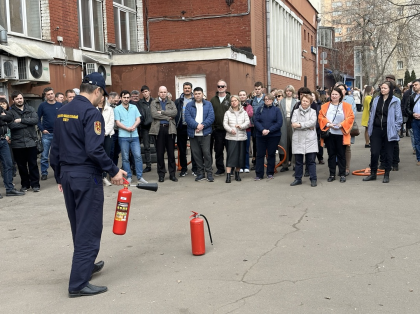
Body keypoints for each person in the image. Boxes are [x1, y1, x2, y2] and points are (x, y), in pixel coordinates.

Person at [50, 72, 126, 298]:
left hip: (68, 176)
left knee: (78, 224)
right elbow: (94, 149)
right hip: (85, 177)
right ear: (97, 92)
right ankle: (78, 284)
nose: (101, 99)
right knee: (89, 228)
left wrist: (59, 177)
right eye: (102, 95)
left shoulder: (62, 111)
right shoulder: (92, 113)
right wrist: (114, 170)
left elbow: (55, 148)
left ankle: (86, 265)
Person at [363, 81, 402, 183]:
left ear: (390, 89)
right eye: (381, 88)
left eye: (385, 88)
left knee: (389, 153)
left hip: (389, 130)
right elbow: (372, 114)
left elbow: (399, 118)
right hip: (376, 130)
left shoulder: (395, 100)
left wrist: (395, 128)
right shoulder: (376, 99)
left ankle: (386, 174)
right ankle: (373, 173)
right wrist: (370, 126)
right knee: (374, 152)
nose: (382, 90)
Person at [318, 87, 355, 183]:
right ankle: (332, 174)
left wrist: (341, 124)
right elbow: (321, 117)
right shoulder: (325, 106)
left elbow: (351, 117)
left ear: (340, 96)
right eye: (332, 94)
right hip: (330, 133)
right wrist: (328, 124)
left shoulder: (347, 106)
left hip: (341, 133)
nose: (334, 96)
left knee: (341, 155)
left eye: (336, 94)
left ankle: (342, 174)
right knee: (331, 155)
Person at [8, 91, 41, 192]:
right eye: (17, 99)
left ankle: (35, 184)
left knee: (33, 164)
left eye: (20, 98)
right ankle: (25, 185)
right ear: (13, 100)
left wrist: (21, 120)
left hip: (31, 141)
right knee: (21, 166)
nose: (19, 100)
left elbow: (35, 120)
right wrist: (27, 122)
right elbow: (11, 125)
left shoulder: (30, 109)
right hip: (18, 144)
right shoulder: (10, 112)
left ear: (23, 99)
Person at [114, 90, 148, 184]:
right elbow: (117, 122)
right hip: (123, 136)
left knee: (138, 156)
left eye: (128, 97)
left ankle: (140, 176)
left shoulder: (134, 107)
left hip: (134, 136)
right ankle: (128, 176)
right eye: (124, 97)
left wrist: (134, 126)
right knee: (125, 158)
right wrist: (127, 128)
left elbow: (138, 119)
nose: (126, 99)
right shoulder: (117, 109)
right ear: (121, 98)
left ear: (130, 98)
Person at [185, 87, 215, 182]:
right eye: (196, 93)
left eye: (199, 93)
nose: (197, 95)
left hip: (205, 133)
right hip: (193, 134)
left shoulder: (208, 104)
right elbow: (187, 118)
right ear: (193, 95)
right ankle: (200, 173)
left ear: (202, 94)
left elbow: (211, 117)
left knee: (206, 153)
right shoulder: (189, 105)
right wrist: (196, 126)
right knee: (196, 154)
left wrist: (202, 126)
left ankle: (209, 173)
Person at [150, 86, 178, 183]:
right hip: (159, 130)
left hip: (170, 129)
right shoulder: (154, 103)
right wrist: (167, 117)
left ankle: (172, 174)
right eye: (161, 92)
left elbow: (174, 113)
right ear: (158, 93)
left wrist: (162, 112)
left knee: (171, 153)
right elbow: (154, 114)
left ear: (167, 93)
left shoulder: (171, 102)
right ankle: (161, 174)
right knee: (160, 154)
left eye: (164, 92)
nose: (163, 94)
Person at [290, 94, 318, 187]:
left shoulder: (313, 111)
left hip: (310, 139)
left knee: (311, 161)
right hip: (298, 138)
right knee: (298, 161)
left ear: (310, 102)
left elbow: (313, 122)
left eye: (307, 101)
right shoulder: (295, 111)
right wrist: (306, 125)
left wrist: (300, 125)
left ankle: (313, 179)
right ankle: (298, 179)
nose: (304, 102)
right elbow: (293, 123)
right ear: (300, 101)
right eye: (303, 100)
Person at [253, 94, 283, 180]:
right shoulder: (260, 109)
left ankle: (270, 172)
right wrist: (262, 130)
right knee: (260, 154)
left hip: (273, 135)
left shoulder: (277, 110)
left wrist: (269, 130)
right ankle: (259, 174)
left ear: (272, 100)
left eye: (269, 99)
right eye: (265, 99)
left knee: (271, 154)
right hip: (260, 135)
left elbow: (279, 123)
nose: (267, 101)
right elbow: (256, 121)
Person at [0, 99, 24, 198]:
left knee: (9, 165)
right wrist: (2, 117)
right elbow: (4, 119)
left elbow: (10, 117)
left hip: (3, 140)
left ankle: (9, 189)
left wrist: (3, 117)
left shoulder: (0, 108)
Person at [223, 94, 250, 183]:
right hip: (231, 138)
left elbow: (247, 122)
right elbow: (225, 124)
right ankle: (228, 175)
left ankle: (237, 173)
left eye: (235, 101)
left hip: (242, 138)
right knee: (230, 156)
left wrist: (241, 126)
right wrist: (231, 130)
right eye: (232, 101)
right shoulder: (227, 112)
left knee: (240, 157)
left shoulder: (244, 112)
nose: (233, 102)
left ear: (238, 101)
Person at [37, 87, 62, 180]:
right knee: (44, 155)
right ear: (45, 96)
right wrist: (42, 129)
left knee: (58, 154)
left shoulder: (60, 105)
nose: (50, 95)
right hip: (47, 134)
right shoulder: (42, 106)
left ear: (54, 94)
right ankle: (44, 172)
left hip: (58, 134)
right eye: (48, 94)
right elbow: (37, 119)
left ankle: (58, 171)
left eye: (51, 93)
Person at [175, 82, 197, 177]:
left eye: (188, 88)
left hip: (193, 127)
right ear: (183, 89)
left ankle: (195, 168)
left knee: (194, 149)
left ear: (191, 89)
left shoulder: (196, 100)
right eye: (185, 88)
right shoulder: (178, 101)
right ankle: (183, 168)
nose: (187, 89)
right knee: (182, 149)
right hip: (181, 127)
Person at [210, 80, 230, 176]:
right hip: (217, 130)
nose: (220, 88)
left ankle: (231, 168)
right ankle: (220, 168)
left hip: (229, 130)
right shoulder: (213, 100)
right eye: (219, 86)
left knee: (230, 150)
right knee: (218, 150)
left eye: (222, 86)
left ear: (226, 87)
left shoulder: (230, 99)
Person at [337, 84, 356, 176]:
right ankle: (339, 167)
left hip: (346, 127)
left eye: (342, 89)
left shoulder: (350, 100)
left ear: (345, 91)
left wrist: (344, 124)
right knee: (337, 148)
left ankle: (346, 168)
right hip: (335, 128)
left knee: (347, 148)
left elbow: (353, 114)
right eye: (338, 89)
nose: (340, 91)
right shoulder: (333, 99)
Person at [279, 85, 297, 172]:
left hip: (293, 121)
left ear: (292, 92)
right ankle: (284, 164)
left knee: (294, 142)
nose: (288, 92)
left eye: (290, 91)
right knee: (284, 143)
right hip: (284, 121)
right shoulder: (281, 101)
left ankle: (294, 164)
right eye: (287, 91)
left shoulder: (296, 101)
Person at [97, 96, 114, 186]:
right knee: (97, 156)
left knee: (106, 156)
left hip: (107, 135)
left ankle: (104, 176)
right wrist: (98, 133)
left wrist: (104, 132)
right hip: (96, 135)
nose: (100, 98)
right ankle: (99, 176)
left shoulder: (110, 109)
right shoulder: (93, 108)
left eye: (102, 96)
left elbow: (111, 123)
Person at [138, 86, 153, 173]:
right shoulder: (140, 103)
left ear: (149, 92)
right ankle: (148, 165)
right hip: (145, 127)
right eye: (143, 92)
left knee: (159, 146)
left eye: (146, 91)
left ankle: (160, 164)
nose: (145, 93)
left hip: (154, 126)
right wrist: (143, 123)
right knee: (146, 147)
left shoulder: (154, 101)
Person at [250, 82, 265, 169]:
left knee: (265, 144)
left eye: (259, 89)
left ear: (262, 89)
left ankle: (266, 162)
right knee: (256, 144)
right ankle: (256, 162)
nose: (257, 91)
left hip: (264, 125)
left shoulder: (266, 98)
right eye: (256, 89)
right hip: (255, 125)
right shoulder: (252, 100)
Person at [406, 79, 420, 166]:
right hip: (415, 121)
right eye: (413, 85)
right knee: (417, 140)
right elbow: (407, 108)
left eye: (416, 85)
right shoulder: (411, 96)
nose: (414, 86)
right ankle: (419, 159)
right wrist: (413, 114)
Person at [239, 90, 253, 173]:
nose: (242, 96)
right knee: (239, 149)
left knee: (246, 149)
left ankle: (246, 166)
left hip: (247, 130)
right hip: (238, 130)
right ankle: (240, 166)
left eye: (244, 95)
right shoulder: (235, 105)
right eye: (240, 95)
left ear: (246, 96)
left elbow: (250, 114)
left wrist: (242, 110)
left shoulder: (249, 106)